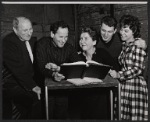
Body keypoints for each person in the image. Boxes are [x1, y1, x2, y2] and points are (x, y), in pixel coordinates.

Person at [36, 20, 81, 119]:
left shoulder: (69, 47)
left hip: (62, 89)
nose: (64, 40)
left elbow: (79, 64)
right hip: (45, 89)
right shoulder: (42, 44)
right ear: (52, 34)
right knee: (47, 115)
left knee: (62, 115)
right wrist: (52, 74)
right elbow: (41, 67)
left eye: (66, 37)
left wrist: (59, 68)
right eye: (60, 37)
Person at [109, 14, 148, 120]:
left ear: (134, 32)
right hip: (125, 86)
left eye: (126, 31)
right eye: (121, 30)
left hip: (135, 87)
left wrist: (118, 74)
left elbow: (138, 69)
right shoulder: (125, 46)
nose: (122, 33)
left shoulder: (137, 45)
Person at [2, 17, 42, 119]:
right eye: (25, 30)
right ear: (15, 30)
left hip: (25, 80)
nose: (29, 33)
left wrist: (47, 65)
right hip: (10, 83)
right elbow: (18, 70)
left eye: (30, 29)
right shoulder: (8, 42)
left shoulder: (31, 40)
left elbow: (34, 63)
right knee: (32, 100)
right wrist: (33, 86)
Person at [73, 27, 117, 119]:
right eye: (81, 39)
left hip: (101, 98)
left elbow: (115, 68)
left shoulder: (102, 53)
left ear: (94, 42)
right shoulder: (77, 56)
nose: (82, 41)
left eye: (85, 38)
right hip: (84, 98)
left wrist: (111, 72)